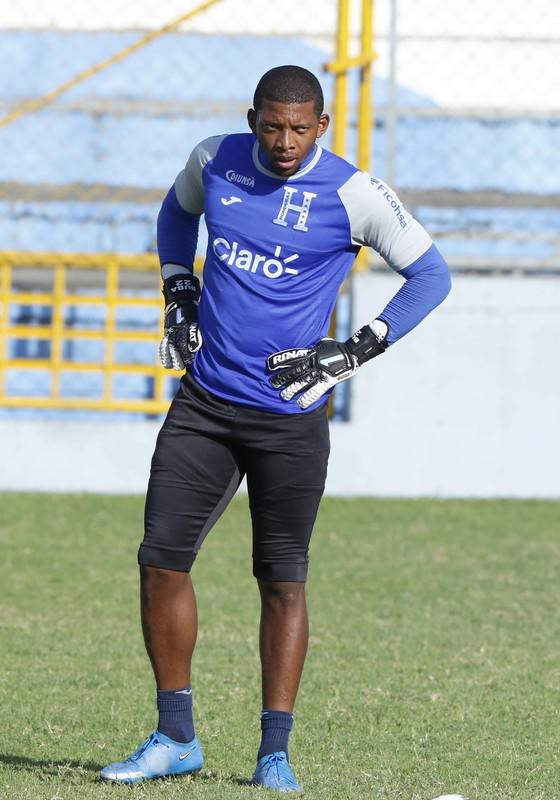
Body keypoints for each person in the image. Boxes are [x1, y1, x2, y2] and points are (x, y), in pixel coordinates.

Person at [100, 65, 451, 791]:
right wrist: (178, 289)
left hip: (290, 418)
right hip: (205, 405)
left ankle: (274, 755)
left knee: (282, 582)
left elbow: (432, 276)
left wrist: (356, 349)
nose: (284, 142)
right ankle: (175, 737)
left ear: (321, 126)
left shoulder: (354, 194)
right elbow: (175, 214)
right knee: (160, 561)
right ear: (252, 119)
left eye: (298, 129)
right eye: (271, 126)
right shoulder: (214, 158)